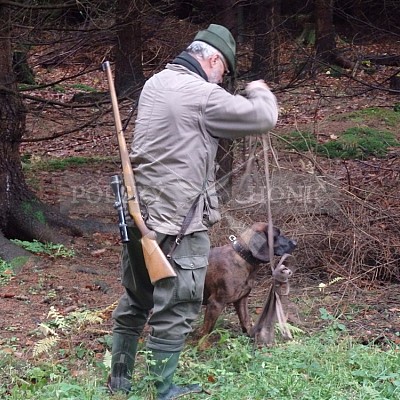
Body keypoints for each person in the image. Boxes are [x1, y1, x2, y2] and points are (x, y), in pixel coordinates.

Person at [108, 24, 279, 399]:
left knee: (137, 298)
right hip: (179, 222)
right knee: (180, 305)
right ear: (213, 59)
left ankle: (118, 380)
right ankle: (164, 389)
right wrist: (258, 89)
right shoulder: (202, 94)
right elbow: (264, 117)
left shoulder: (156, 83)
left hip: (140, 215)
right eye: (224, 72)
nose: (222, 81)